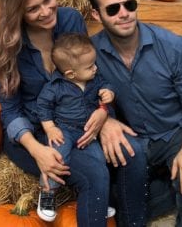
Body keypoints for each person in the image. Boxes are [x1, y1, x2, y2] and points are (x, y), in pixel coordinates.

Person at [89, 0, 182, 226]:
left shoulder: (175, 48)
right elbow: (77, 94)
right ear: (96, 15)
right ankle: (165, 189)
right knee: (113, 201)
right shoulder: (90, 53)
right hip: (133, 139)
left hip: (174, 133)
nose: (124, 13)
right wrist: (106, 120)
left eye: (129, 5)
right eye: (113, 9)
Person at [0, 0, 111, 227]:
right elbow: (10, 111)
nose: (45, 11)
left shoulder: (70, 21)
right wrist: (37, 151)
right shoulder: (8, 45)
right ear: (19, 13)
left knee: (120, 157)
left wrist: (103, 110)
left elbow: (87, 72)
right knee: (92, 174)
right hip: (29, 132)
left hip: (70, 122)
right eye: (33, 9)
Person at [36, 33, 116, 222]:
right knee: (59, 158)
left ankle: (100, 201)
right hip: (63, 129)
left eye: (94, 63)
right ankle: (47, 193)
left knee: (99, 160)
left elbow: (107, 84)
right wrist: (50, 129)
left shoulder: (94, 79)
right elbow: (43, 106)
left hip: (88, 131)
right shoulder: (55, 87)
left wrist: (108, 93)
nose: (95, 68)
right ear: (71, 74)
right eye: (90, 66)